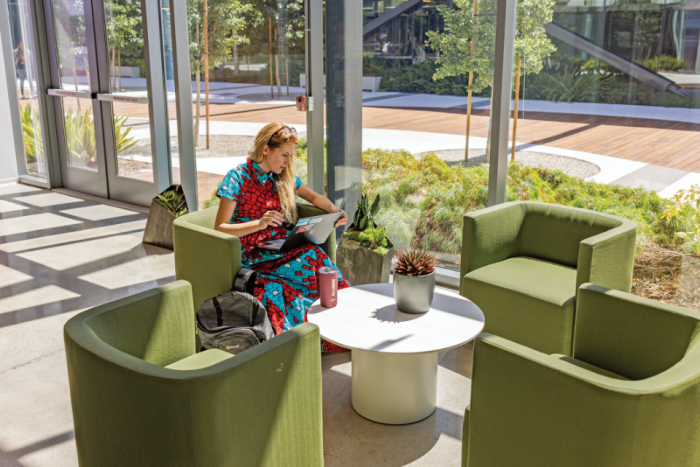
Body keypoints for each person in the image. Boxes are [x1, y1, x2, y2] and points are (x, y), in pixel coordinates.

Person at [214, 123, 351, 353]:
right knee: (299, 271)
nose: (288, 161)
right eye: (284, 155)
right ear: (266, 149)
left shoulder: (281, 177)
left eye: (291, 156)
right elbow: (220, 228)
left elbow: (314, 197)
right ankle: (321, 335)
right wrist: (259, 224)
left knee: (315, 256)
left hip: (279, 246)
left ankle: (347, 319)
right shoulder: (236, 178)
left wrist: (335, 212)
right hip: (253, 254)